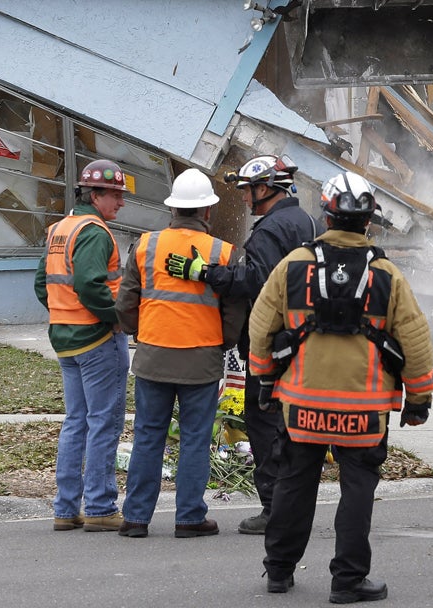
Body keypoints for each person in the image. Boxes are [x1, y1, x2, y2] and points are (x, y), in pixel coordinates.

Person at [248, 171, 433, 601]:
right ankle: (348, 581)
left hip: (301, 405)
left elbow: (261, 329)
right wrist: (418, 399)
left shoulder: (293, 266)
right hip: (364, 410)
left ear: (326, 214)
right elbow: (415, 341)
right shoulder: (387, 275)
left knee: (293, 483)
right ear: (369, 220)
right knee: (357, 492)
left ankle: (278, 570)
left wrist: (264, 382)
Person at [165, 153, 319, 535]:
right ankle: (295, 505)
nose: (246, 199)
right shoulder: (305, 221)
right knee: (292, 424)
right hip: (304, 338)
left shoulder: (269, 231)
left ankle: (274, 510)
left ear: (265, 188)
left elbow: (256, 282)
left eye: (249, 192)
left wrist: (205, 272)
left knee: (263, 421)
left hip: (271, 342)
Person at [115, 168, 243, 539]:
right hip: (201, 360)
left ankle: (136, 518)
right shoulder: (223, 251)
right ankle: (189, 518)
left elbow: (126, 301)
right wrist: (223, 343)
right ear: (206, 212)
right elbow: (234, 311)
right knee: (195, 439)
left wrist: (140, 330)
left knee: (148, 436)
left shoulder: (145, 245)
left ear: (173, 209)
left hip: (153, 355)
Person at [34, 158, 131, 532]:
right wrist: (116, 319)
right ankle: (101, 508)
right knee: (103, 423)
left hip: (66, 339)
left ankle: (65, 509)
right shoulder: (94, 232)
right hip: (97, 339)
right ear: (95, 194)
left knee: (76, 423)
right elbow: (91, 285)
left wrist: (63, 311)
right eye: (116, 195)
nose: (120, 203)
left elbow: (43, 283)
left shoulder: (60, 229)